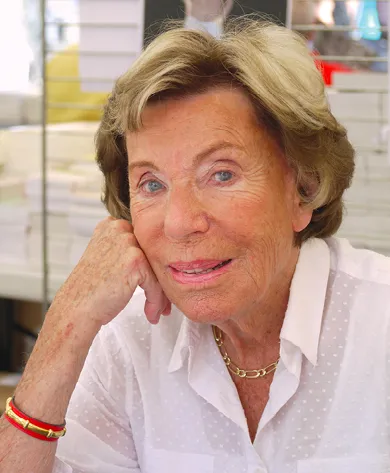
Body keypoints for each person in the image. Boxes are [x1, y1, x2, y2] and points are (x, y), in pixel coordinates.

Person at [0, 18, 389, 473]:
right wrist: (65, 326)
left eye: (221, 174)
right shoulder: (128, 337)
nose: (181, 223)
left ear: (303, 187)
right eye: (151, 183)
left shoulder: (378, 324)